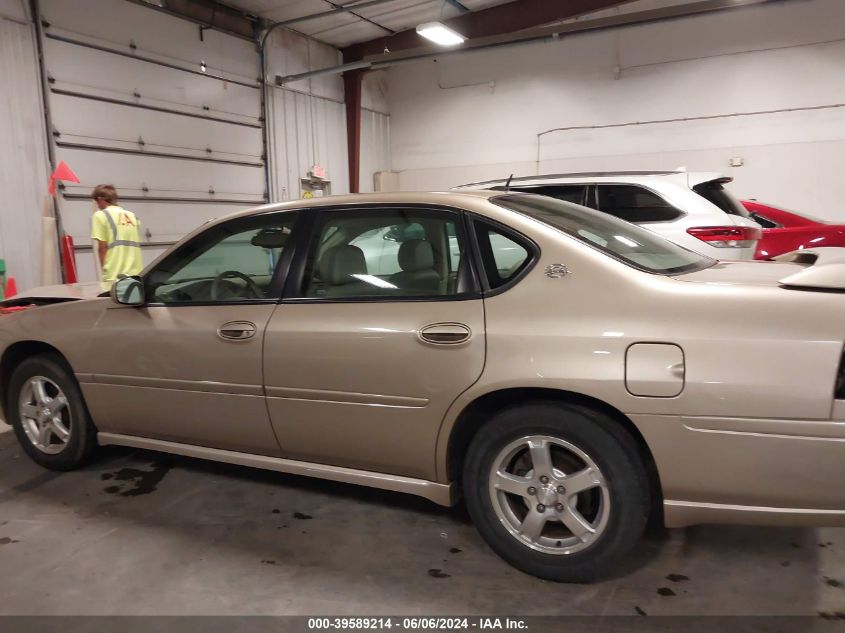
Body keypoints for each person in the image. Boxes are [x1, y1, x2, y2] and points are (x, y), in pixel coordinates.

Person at [90, 185, 143, 283]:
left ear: (101, 199)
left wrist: (105, 272)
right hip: (136, 274)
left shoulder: (100, 215)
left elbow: (102, 248)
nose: (97, 205)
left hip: (115, 274)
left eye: (96, 200)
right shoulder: (133, 216)